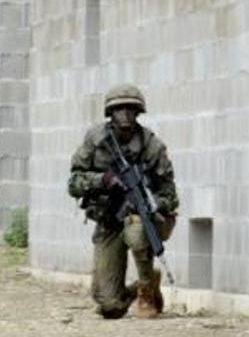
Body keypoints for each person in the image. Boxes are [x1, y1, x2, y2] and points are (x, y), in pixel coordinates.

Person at [68, 84, 179, 319]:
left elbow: (171, 195)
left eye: (131, 108)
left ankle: (147, 292)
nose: (126, 113)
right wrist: (103, 180)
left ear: (139, 112)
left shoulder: (152, 146)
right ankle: (143, 283)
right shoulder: (96, 141)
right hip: (108, 220)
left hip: (144, 218)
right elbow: (73, 183)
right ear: (110, 113)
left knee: (137, 229)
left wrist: (153, 203)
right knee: (109, 306)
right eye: (119, 109)